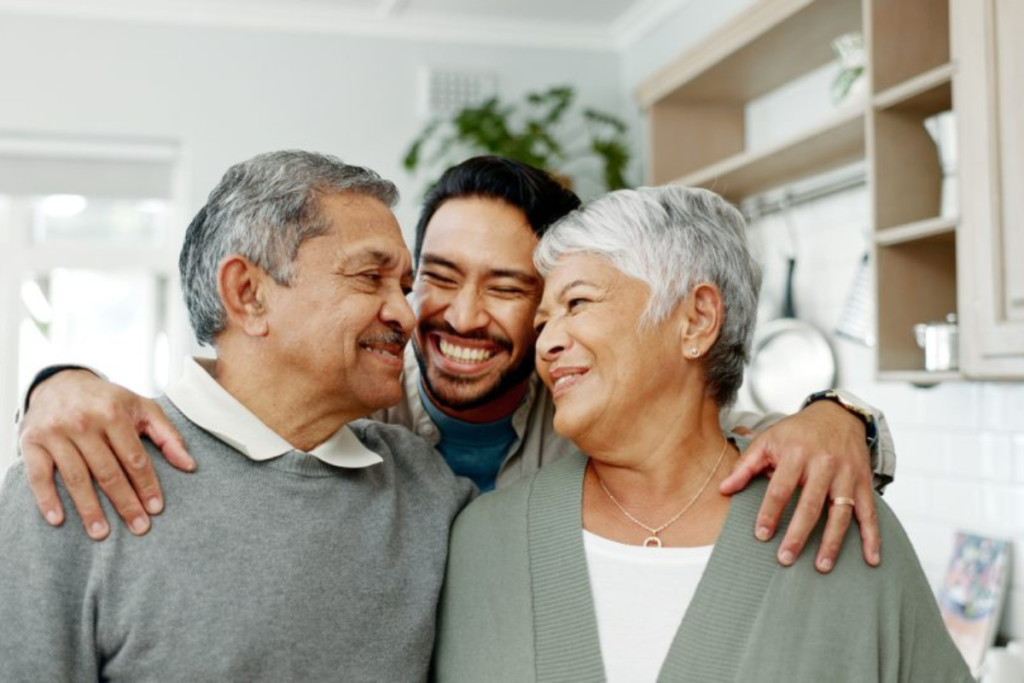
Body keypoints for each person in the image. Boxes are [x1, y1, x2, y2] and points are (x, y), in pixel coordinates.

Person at [20, 157, 892, 572]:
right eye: (431, 277)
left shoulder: (586, 413)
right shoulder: (360, 403)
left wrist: (845, 419)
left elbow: (721, 445)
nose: (452, 316)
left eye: (508, 288)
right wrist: (51, 384)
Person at [433, 185, 971, 682]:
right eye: (543, 321)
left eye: (577, 304)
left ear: (696, 320)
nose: (546, 343)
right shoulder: (482, 540)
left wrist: (842, 417)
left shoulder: (836, 523)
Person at [0, 151, 473, 680]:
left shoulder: (427, 487)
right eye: (370, 277)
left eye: (404, 288)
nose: (407, 316)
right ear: (248, 295)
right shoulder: (78, 477)